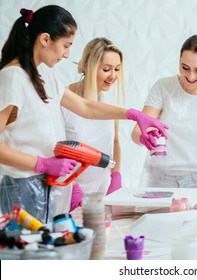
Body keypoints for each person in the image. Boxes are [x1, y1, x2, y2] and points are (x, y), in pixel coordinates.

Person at [0, 5, 167, 223]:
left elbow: (86, 108)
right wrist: (42, 163)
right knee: (24, 253)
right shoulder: (12, 77)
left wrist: (133, 114)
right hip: (21, 185)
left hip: (47, 184)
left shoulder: (44, 77)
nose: (68, 54)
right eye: (66, 46)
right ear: (45, 39)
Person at [131, 34, 197, 196]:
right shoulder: (164, 87)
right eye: (184, 67)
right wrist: (144, 138)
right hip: (159, 179)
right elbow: (138, 131)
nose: (190, 76)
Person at [62, 37, 125, 211]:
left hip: (101, 192)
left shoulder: (109, 99)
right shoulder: (64, 100)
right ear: (88, 66)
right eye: (106, 69)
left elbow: (115, 141)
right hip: (68, 191)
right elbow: (53, 149)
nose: (113, 76)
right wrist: (72, 188)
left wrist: (116, 176)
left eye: (117, 69)